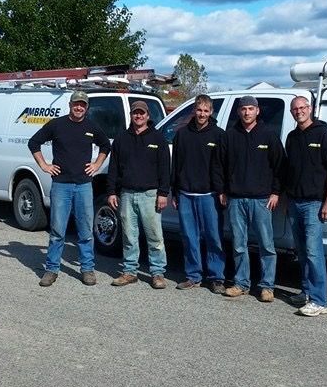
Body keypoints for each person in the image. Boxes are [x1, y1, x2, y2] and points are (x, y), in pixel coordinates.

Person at [28, 90, 111, 287]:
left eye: (82, 104)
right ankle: (51, 269)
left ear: (87, 107)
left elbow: (106, 146)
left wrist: (97, 165)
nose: (79, 107)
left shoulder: (92, 127)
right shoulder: (57, 125)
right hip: (61, 185)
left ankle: (87, 269)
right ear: (70, 105)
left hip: (84, 185)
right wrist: (44, 165)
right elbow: (34, 143)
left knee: (85, 231)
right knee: (57, 230)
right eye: (76, 104)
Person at [220, 96, 284, 302]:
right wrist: (223, 190)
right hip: (236, 199)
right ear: (239, 112)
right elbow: (220, 166)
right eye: (243, 109)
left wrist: (275, 192)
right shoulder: (230, 136)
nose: (247, 112)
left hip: (262, 200)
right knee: (239, 244)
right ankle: (241, 283)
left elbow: (280, 167)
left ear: (258, 111)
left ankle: (267, 286)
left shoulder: (269, 136)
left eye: (251, 109)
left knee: (266, 245)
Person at [284, 96, 327, 316]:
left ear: (310, 109)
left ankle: (320, 301)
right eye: (295, 109)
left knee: (314, 252)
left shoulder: (325, 135)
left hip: (314, 203)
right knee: (302, 252)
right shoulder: (292, 137)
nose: (299, 111)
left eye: (302, 108)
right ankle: (306, 292)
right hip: (295, 202)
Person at [107, 100, 171, 289]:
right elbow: (113, 168)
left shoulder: (158, 138)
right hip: (126, 194)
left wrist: (163, 193)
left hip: (150, 195)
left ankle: (158, 273)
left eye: (142, 113)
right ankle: (129, 271)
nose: (139, 116)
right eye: (136, 113)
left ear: (148, 116)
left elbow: (165, 168)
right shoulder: (121, 139)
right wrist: (111, 191)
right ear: (132, 115)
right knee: (129, 235)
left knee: (154, 237)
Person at [170, 94, 227, 293]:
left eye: (205, 111)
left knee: (213, 237)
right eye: (199, 110)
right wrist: (175, 192)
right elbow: (175, 165)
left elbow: (223, 166)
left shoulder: (219, 135)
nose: (202, 114)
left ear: (211, 112)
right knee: (189, 236)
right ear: (194, 111)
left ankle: (216, 277)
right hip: (185, 194)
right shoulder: (181, 134)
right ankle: (193, 275)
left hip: (209, 195)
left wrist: (221, 191)